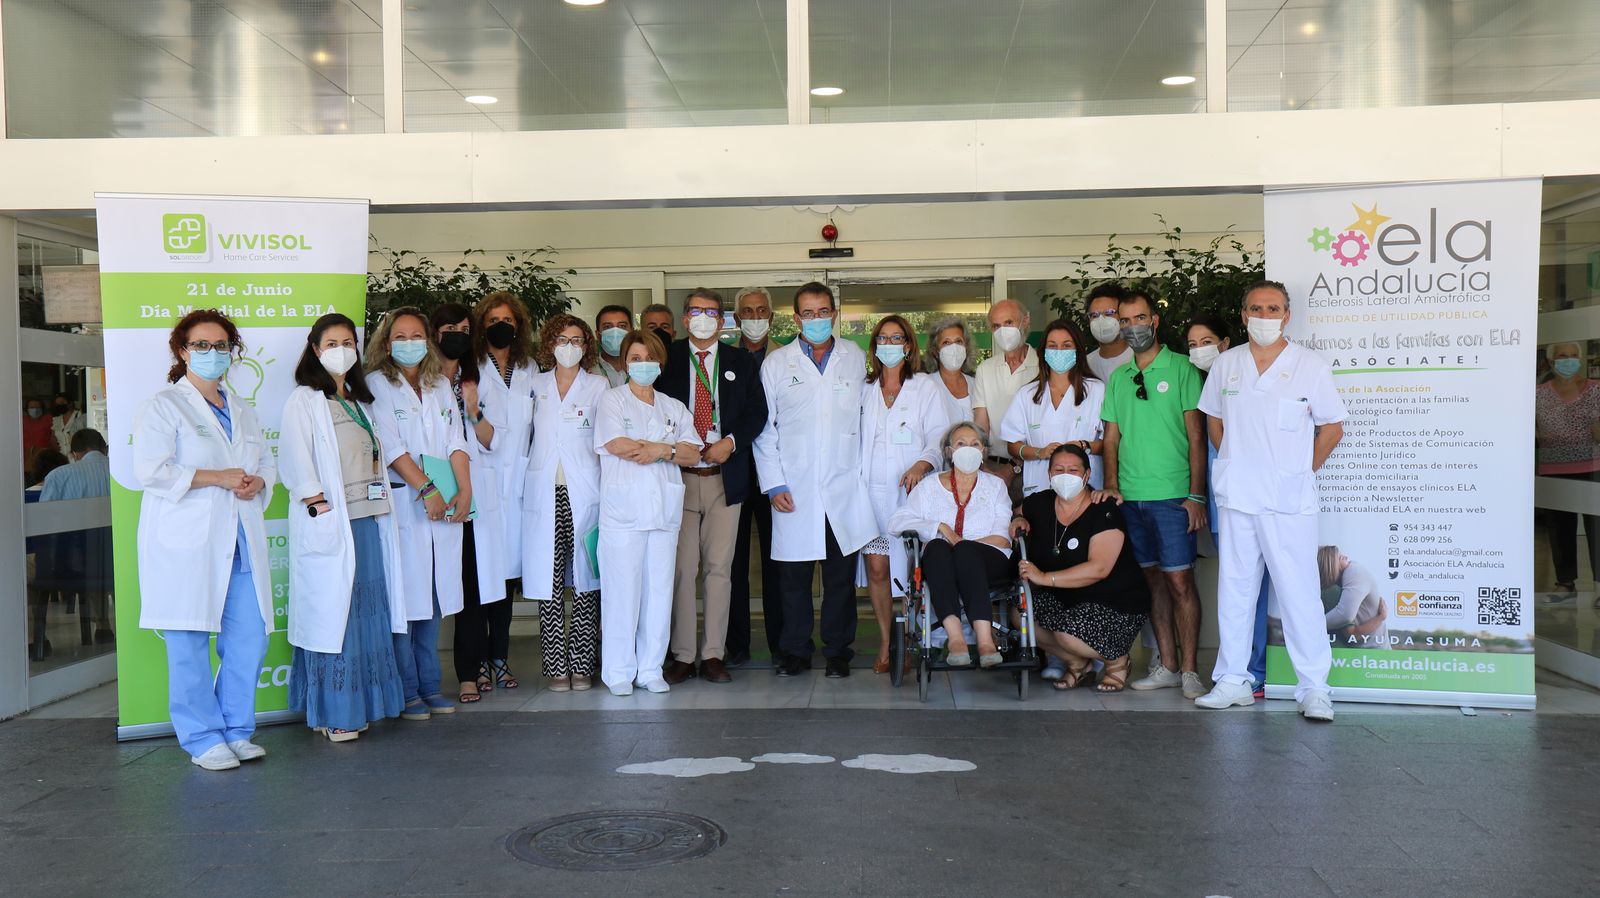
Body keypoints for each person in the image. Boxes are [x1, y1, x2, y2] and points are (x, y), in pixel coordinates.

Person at [1194, 280, 1346, 722]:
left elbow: (1332, 428)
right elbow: (1215, 422)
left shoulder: (1309, 366)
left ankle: (1314, 687)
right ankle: (1233, 680)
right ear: (1243, 315)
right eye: (1256, 308)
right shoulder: (1227, 364)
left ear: (1287, 315)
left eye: (1273, 308)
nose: (1264, 315)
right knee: (1236, 590)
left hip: (1288, 500)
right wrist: (1234, 464)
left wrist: (1300, 471)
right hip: (1239, 496)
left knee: (1299, 592)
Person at [131, 311, 274, 769]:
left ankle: (237, 729)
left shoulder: (243, 408)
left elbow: (265, 465)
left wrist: (258, 484)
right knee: (188, 642)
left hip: (240, 541)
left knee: (249, 638)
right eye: (202, 345)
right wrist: (217, 476)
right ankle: (202, 737)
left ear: (233, 351)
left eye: (221, 345)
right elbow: (149, 471)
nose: (214, 354)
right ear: (182, 350)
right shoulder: (164, 405)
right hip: (187, 545)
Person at [282, 313, 408, 743]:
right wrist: (317, 504)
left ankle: (362, 705)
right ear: (316, 350)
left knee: (366, 616)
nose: (342, 350)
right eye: (331, 343)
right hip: (333, 526)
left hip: (367, 523)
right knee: (336, 618)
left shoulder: (358, 400)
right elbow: (296, 459)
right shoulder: (305, 400)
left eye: (348, 342)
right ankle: (335, 712)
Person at [754, 281, 877, 679]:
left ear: (834, 315)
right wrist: (774, 484)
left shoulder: (854, 358)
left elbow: (866, 419)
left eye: (824, 312)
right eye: (808, 313)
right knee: (794, 578)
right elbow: (764, 430)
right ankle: (795, 651)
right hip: (794, 487)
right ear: (796, 318)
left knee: (840, 579)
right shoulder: (776, 364)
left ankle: (838, 651)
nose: (817, 319)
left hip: (843, 486)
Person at [1099, 289, 1209, 700]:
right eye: (1125, 321)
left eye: (1139, 319)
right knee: (1152, 583)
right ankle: (1166, 664)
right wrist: (1111, 485)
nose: (1132, 328)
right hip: (1131, 497)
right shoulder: (1118, 377)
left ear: (1155, 321)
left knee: (1180, 581)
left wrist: (1196, 497)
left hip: (1173, 496)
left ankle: (1191, 670)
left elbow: (1197, 437)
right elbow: (1111, 439)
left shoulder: (1181, 368)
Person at [366, 307, 473, 723]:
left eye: (416, 335)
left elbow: (456, 440)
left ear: (427, 340)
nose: (409, 343)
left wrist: (464, 489)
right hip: (405, 504)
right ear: (386, 342)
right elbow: (390, 448)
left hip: (444, 501)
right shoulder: (376, 385)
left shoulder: (440, 384)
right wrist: (426, 488)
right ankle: (408, 690)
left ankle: (431, 685)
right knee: (405, 600)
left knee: (432, 597)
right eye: (400, 336)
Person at [659, 289, 767, 685]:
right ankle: (684, 655)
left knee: (720, 570)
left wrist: (731, 442)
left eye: (711, 312)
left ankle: (714, 654)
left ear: (723, 322)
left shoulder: (740, 360)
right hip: (679, 479)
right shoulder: (666, 357)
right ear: (685, 319)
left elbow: (758, 411)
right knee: (683, 570)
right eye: (696, 312)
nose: (703, 318)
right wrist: (674, 445)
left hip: (725, 477)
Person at [595, 330, 702, 695]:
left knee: (658, 593)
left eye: (649, 358)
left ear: (661, 362)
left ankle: (651, 668)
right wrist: (664, 448)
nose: (643, 365)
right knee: (622, 593)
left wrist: (661, 450)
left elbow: (693, 452)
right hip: (622, 514)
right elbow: (615, 443)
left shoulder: (673, 406)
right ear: (625, 362)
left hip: (663, 512)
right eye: (635, 358)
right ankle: (619, 671)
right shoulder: (612, 401)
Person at [1016, 444, 1152, 692]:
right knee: (1021, 614)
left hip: (1114, 601)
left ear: (1087, 475)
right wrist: (1017, 519)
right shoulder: (1040, 503)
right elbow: (1016, 511)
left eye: (1073, 470)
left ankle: (1117, 663)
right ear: (1048, 474)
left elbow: (1099, 568)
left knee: (1066, 634)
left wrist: (1045, 577)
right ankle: (1078, 665)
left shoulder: (1104, 509)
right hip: (1068, 598)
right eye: (1058, 469)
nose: (1065, 475)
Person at [859, 314, 948, 674]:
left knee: (914, 574)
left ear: (909, 346)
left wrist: (922, 465)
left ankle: (913, 640)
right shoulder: (864, 388)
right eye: (883, 338)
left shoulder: (924, 386)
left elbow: (939, 438)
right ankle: (886, 643)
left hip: (911, 493)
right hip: (869, 495)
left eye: (897, 339)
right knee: (878, 569)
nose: (889, 345)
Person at [524, 314, 607, 692]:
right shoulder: (533, 383)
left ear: (586, 346)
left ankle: (582, 663)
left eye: (577, 339)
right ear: (549, 344)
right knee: (550, 580)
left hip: (587, 492)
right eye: (562, 339)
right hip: (545, 492)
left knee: (587, 581)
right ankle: (557, 666)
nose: (569, 346)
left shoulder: (599, 385)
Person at [431, 303, 508, 704]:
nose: (458, 334)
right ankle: (425, 680)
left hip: (472, 490)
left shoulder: (479, 379)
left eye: (464, 328)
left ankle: (468, 671)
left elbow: (492, 439)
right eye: (449, 328)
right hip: (428, 489)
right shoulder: (421, 381)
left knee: (473, 585)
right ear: (434, 333)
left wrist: (474, 408)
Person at [1189, 313, 1270, 697]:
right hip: (1228, 501)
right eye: (1191, 344)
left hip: (1264, 497)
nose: (1199, 350)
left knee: (1268, 586)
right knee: (1239, 588)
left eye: (1206, 341)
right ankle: (1239, 672)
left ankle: (1257, 670)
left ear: (1225, 343)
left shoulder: (1249, 379)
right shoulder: (1209, 388)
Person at [887, 422, 1012, 667]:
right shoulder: (929, 486)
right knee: (935, 547)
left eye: (975, 444)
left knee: (961, 550)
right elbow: (896, 521)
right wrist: (940, 527)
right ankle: (956, 639)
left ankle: (985, 641)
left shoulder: (995, 486)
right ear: (948, 451)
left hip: (990, 561)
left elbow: (1001, 537)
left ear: (984, 451)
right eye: (961, 444)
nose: (968, 449)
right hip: (940, 561)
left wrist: (962, 546)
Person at [473, 291, 537, 689]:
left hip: (518, 488)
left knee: (508, 581)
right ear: (482, 325)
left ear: (518, 326)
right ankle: (478, 660)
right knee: (483, 578)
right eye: (494, 319)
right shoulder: (471, 368)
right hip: (482, 483)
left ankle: (501, 657)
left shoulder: (530, 368)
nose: (502, 325)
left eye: (509, 320)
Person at [999, 318, 1106, 497]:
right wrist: (1040, 452)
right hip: (1039, 487)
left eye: (1066, 346)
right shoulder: (1027, 394)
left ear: (1078, 350)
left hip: (1087, 491)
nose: (1059, 351)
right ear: (1044, 352)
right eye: (1053, 346)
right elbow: (1013, 445)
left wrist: (1084, 446)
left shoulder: (1096, 390)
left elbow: (1108, 443)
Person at [728, 286, 778, 666]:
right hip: (736, 471)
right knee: (734, 562)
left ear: (772, 317)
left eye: (762, 311)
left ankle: (782, 642)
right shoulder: (724, 360)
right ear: (736, 318)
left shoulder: (788, 358)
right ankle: (737, 644)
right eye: (748, 311)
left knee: (778, 562)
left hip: (777, 474)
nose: (756, 317)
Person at [1536, 341, 1599, 604]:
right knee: (1559, 529)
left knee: (1597, 528)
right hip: (1553, 468)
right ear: (1551, 362)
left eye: (1574, 356)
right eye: (1563, 356)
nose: (1569, 361)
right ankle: (1565, 583)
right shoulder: (1537, 393)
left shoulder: (1596, 389)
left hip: (1593, 468)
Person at [40, 429, 114, 645]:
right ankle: (104, 626)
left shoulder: (59, 476)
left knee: (23, 570)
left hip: (71, 564)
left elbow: (45, 524)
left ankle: (35, 638)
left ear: (74, 454)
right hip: (120, 560)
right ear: (104, 449)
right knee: (102, 559)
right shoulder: (124, 474)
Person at [971, 299, 1038, 493]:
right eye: (996, 326)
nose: (1002, 331)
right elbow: (981, 425)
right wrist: (981, 467)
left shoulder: (1043, 366)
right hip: (992, 468)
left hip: (1034, 467)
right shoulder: (985, 369)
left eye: (1008, 323)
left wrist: (1013, 468)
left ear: (1025, 321)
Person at [25, 449, 69, 661]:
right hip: (65, 562)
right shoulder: (67, 496)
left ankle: (32, 638)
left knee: (23, 576)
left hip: (34, 562)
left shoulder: (25, 496)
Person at [1319, 546, 1387, 649]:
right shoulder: (1333, 590)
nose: (1346, 557)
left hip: (1374, 652)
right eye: (1339, 557)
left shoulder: (1354, 571)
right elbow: (1345, 615)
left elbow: (1345, 615)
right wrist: (1381, 617)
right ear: (1330, 563)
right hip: (1369, 653)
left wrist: (1311, 626)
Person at [925, 316, 978, 427]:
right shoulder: (926, 385)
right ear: (935, 351)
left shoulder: (977, 385)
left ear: (966, 347)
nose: (954, 347)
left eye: (959, 341)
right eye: (946, 342)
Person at [1084, 282, 1132, 382]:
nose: (1101, 320)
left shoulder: (1139, 359)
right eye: (1094, 315)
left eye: (1109, 313)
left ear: (1123, 317)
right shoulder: (1085, 365)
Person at [592, 304, 633, 389]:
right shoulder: (589, 370)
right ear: (598, 335)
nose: (615, 332)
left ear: (631, 332)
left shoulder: (642, 367)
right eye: (607, 327)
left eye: (622, 326)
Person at [22, 397, 55, 464]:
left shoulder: (49, 419)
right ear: (27, 409)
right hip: (25, 457)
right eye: (32, 407)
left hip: (45, 456)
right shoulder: (22, 421)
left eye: (38, 407)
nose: (35, 409)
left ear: (42, 408)